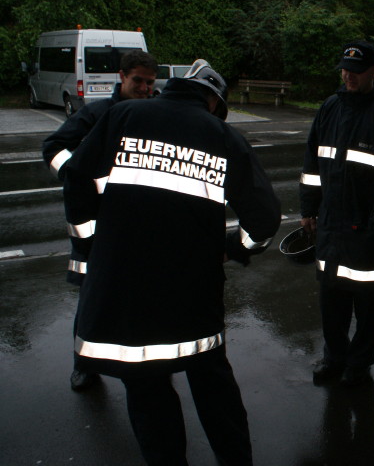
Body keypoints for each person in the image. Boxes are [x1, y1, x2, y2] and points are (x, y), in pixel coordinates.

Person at [62, 59, 282, 465]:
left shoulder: (124, 115)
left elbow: (76, 176)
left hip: (124, 288)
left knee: (147, 389)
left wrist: (93, 244)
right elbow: (264, 220)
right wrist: (234, 248)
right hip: (192, 293)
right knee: (212, 384)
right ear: (213, 102)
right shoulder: (223, 137)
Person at [299, 40, 374, 387]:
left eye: (356, 71)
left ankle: (358, 366)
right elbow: (311, 164)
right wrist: (308, 209)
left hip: (370, 230)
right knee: (331, 301)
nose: (348, 76)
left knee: (368, 306)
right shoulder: (330, 108)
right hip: (331, 227)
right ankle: (334, 359)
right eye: (345, 70)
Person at [42, 48, 159, 391]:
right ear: (121, 77)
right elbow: (53, 146)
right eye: (138, 81)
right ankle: (84, 365)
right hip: (95, 226)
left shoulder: (154, 114)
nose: (144, 89)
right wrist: (75, 174)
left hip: (139, 225)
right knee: (93, 301)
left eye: (150, 83)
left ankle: (149, 364)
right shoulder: (96, 114)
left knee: (142, 298)